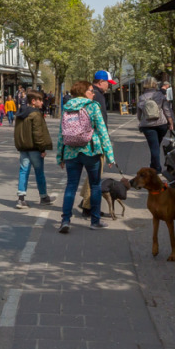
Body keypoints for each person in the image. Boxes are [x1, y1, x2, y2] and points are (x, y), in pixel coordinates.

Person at [58, 78, 115, 233]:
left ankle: (65, 220)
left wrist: (60, 155)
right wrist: (110, 155)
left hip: (71, 152)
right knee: (95, 185)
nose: (93, 94)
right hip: (91, 150)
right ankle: (95, 221)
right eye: (90, 90)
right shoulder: (93, 107)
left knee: (71, 186)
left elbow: (61, 134)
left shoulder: (67, 107)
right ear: (83, 92)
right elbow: (102, 131)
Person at [13, 90, 53, 209]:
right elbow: (38, 134)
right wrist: (42, 148)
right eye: (40, 100)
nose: (42, 103)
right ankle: (43, 196)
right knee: (39, 172)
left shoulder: (20, 114)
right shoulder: (36, 114)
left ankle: (21, 198)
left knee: (23, 171)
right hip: (35, 148)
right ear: (33, 101)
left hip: (23, 148)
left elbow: (17, 132)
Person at [137, 75, 172, 174]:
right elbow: (166, 110)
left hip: (148, 126)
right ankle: (153, 166)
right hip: (161, 124)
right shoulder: (160, 95)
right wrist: (171, 122)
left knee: (154, 147)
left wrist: (140, 121)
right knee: (156, 146)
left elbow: (139, 115)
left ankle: (156, 168)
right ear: (154, 84)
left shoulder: (141, 97)